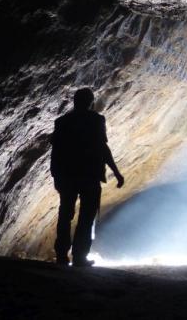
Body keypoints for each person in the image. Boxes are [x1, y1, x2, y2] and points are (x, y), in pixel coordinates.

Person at [50, 87, 125, 267]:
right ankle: (79, 256)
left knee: (65, 214)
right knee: (87, 216)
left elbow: (56, 150)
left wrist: (56, 175)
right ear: (91, 102)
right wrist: (115, 171)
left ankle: (61, 255)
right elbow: (102, 147)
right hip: (89, 175)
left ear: (75, 101)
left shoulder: (61, 122)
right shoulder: (96, 120)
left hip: (67, 175)